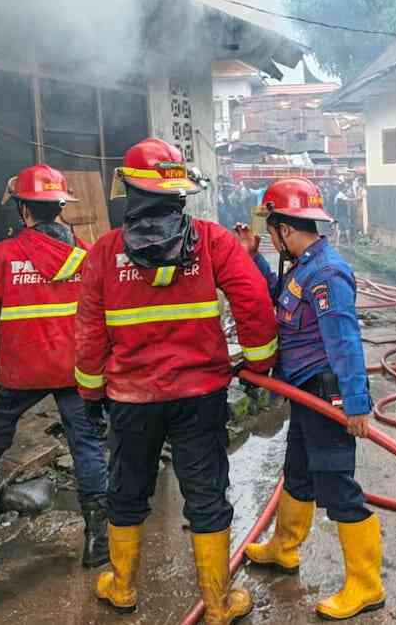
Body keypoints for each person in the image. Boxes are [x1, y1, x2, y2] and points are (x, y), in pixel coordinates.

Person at [75, 138, 278, 624]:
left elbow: (88, 335)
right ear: (179, 192)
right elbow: (253, 302)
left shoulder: (104, 252)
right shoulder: (211, 241)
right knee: (206, 494)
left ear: (129, 189)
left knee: (127, 492)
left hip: (131, 398)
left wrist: (90, 392)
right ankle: (217, 603)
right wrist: (258, 365)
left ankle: (122, 588)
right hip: (200, 396)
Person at [234, 178, 385, 621]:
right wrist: (254, 260)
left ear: (284, 227)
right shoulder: (303, 265)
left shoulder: (326, 273)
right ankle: (285, 548)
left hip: (326, 392)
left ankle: (367, 584)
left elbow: (344, 342)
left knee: (337, 485)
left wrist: (355, 403)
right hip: (302, 390)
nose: (269, 237)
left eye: (271, 229)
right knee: (297, 472)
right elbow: (281, 303)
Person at [0, 164, 109, 568]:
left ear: (24, 211)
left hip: (23, 370)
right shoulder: (85, 254)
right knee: (86, 446)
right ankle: (97, 539)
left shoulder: (3, 255)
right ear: (61, 207)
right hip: (76, 370)